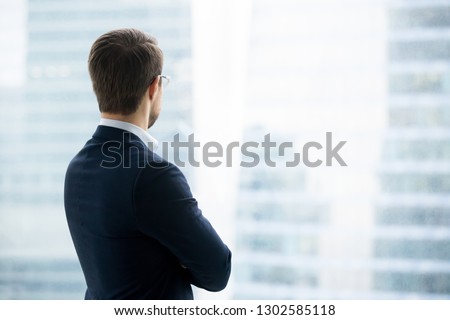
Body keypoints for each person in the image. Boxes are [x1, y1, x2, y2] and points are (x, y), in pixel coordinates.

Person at [64, 28, 231, 299]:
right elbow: (218, 270)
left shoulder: (78, 167)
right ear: (154, 86)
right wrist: (176, 259)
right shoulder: (153, 175)